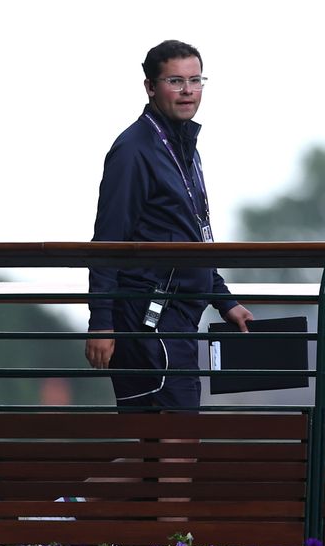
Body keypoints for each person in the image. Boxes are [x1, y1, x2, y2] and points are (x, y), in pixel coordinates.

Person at [86, 39, 252, 408]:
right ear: (150, 87)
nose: (188, 91)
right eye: (175, 81)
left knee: (165, 444)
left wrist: (225, 301)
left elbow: (192, 235)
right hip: (146, 320)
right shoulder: (134, 150)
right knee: (173, 441)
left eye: (196, 80)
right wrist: (100, 322)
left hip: (179, 318)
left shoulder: (183, 147)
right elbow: (107, 242)